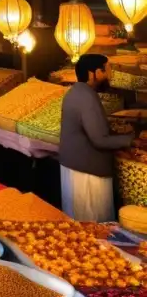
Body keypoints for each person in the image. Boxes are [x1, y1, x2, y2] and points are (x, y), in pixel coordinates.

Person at [60, 54, 133, 222]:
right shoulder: (87, 98)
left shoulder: (77, 92)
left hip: (76, 165)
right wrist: (129, 140)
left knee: (78, 221)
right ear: (92, 73)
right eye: (105, 70)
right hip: (87, 172)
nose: (109, 75)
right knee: (93, 223)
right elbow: (99, 139)